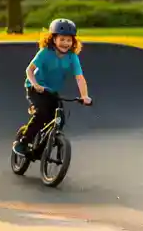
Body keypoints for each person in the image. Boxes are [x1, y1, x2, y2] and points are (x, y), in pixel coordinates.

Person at [14, 19, 92, 155]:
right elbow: (29, 70)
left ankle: (47, 144)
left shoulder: (72, 57)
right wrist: (35, 84)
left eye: (69, 40)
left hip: (52, 92)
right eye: (62, 39)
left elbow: (79, 78)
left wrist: (84, 96)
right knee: (42, 113)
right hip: (35, 88)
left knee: (59, 118)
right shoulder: (45, 53)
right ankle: (23, 142)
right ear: (53, 39)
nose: (65, 43)